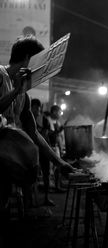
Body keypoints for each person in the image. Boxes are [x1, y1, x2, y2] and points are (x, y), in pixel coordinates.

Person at [0, 36, 74, 213]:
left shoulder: (24, 96)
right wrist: (16, 90)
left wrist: (59, 162)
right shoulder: (1, 76)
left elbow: (34, 133)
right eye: (39, 62)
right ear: (27, 59)